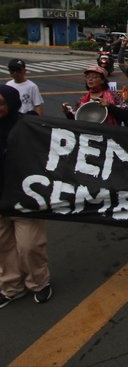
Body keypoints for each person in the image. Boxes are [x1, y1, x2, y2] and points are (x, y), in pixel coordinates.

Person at [0, 84, 52, 308]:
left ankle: (39, 282)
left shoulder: (26, 125)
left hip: (25, 197)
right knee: (4, 247)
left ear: (11, 104)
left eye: (1, 103)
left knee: (29, 246)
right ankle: (11, 287)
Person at [62, 66, 127, 126]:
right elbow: (77, 119)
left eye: (95, 77)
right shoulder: (83, 99)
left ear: (103, 80)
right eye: (87, 77)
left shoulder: (114, 95)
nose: (90, 79)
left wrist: (110, 106)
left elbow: (126, 115)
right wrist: (67, 113)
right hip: (88, 135)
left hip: (109, 134)